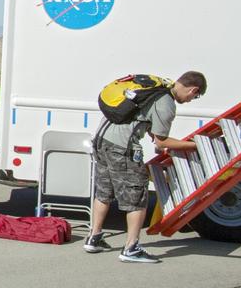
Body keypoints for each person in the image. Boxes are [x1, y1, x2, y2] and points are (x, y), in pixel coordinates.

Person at [84, 71, 207, 263]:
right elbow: (161, 141)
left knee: (104, 191)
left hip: (101, 141)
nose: (191, 100)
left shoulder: (155, 88)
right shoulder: (166, 102)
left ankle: (94, 238)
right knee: (137, 194)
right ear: (193, 90)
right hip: (121, 147)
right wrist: (198, 145)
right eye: (195, 97)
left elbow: (141, 119)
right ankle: (131, 248)